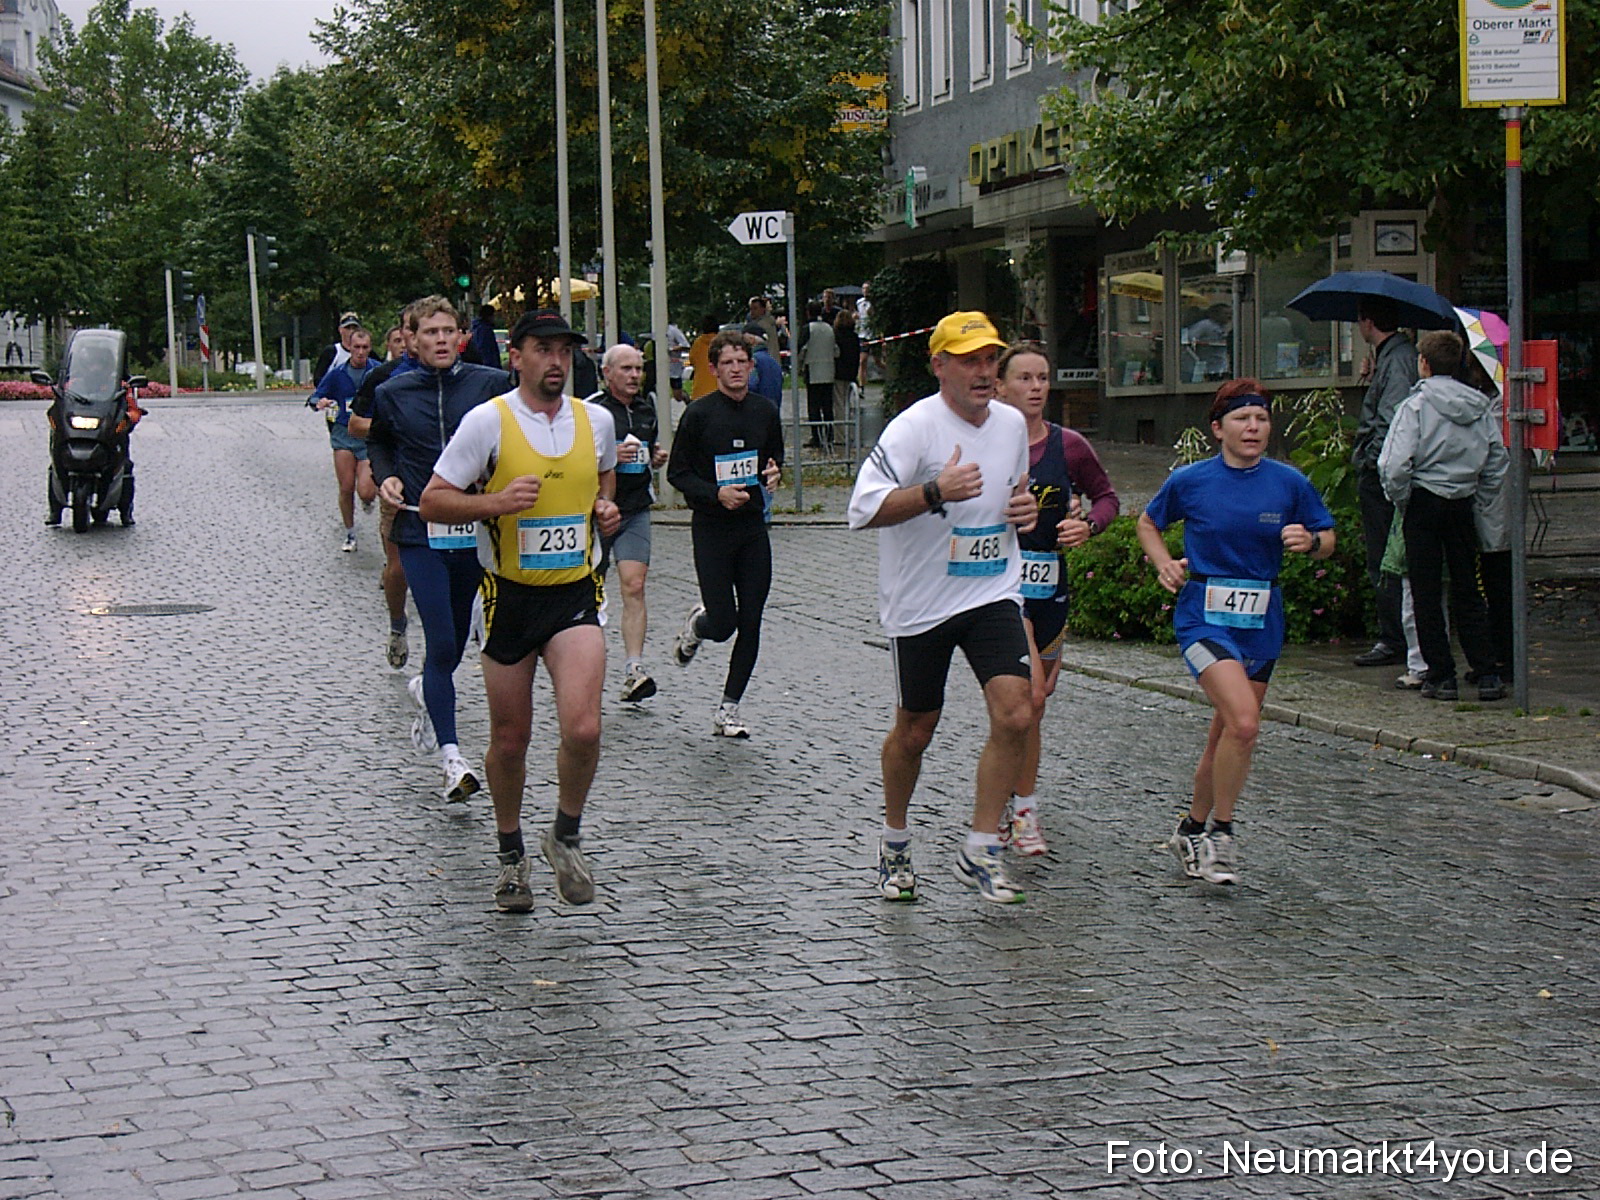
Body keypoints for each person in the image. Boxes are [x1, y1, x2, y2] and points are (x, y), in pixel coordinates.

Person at [420, 310, 620, 911]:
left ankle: (564, 833)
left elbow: (604, 482)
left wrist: (606, 513)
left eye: (564, 350)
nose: (555, 361)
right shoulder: (489, 422)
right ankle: (511, 855)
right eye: (542, 349)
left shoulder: (598, 420)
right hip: (508, 597)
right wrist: (495, 502)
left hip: (575, 595)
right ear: (517, 356)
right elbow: (432, 501)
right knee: (511, 741)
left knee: (583, 727)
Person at [846, 311, 1040, 906]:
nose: (984, 372)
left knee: (1017, 711)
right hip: (922, 603)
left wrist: (1024, 510)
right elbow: (862, 509)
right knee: (915, 731)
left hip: (991, 591)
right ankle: (896, 840)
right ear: (940, 366)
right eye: (969, 360)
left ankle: (981, 847)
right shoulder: (912, 429)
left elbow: (1017, 491)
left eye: (990, 359)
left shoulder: (1010, 424)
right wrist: (935, 490)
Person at [1138, 379, 1335, 887]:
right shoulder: (1192, 480)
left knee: (1226, 734)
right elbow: (1147, 522)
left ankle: (1192, 828)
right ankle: (1221, 837)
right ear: (1218, 428)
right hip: (1204, 616)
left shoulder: (1288, 482)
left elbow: (1328, 537)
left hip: (1261, 620)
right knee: (1245, 724)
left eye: (1262, 419)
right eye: (1243, 419)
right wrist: (1163, 564)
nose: (1253, 428)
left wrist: (1310, 541)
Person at [368, 296, 510, 803]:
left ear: (462, 335)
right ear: (410, 338)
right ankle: (453, 761)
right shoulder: (392, 391)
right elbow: (379, 444)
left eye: (450, 331)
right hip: (420, 531)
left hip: (476, 531)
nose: (442, 340)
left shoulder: (490, 385)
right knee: (442, 638)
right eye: (430, 332)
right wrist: (385, 478)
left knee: (453, 648)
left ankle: (429, 691)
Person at [993, 341, 1120, 856]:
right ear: (999, 386)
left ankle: (1002, 796)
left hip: (1050, 589)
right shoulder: (985, 446)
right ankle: (1024, 813)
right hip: (1001, 591)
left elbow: (1108, 497)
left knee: (1029, 713)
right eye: (1023, 378)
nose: (1036, 388)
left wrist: (1087, 525)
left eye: (1042, 378)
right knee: (1032, 696)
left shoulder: (1069, 446)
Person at [1378, 330, 1508, 702]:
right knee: (1468, 588)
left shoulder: (1415, 406)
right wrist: (1477, 492)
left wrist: (1402, 499)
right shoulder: (1479, 406)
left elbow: (1394, 463)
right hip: (1461, 500)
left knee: (1425, 591)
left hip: (1423, 499)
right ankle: (1486, 672)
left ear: (1424, 363)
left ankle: (1441, 675)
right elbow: (1497, 459)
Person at [666, 330, 784, 738]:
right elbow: (677, 473)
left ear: (752, 368)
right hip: (712, 530)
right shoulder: (698, 415)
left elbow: (773, 457)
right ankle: (698, 627)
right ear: (713, 369)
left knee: (751, 621)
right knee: (725, 622)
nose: (736, 370)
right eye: (727, 363)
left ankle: (728, 709)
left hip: (752, 529)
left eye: (742, 362)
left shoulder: (765, 411)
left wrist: (773, 473)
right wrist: (715, 493)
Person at [587, 343, 668, 704]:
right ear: (607, 373)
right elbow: (570, 458)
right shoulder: (591, 411)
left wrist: (655, 456)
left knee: (634, 585)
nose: (635, 375)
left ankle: (634, 669)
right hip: (597, 512)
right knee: (591, 591)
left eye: (638, 369)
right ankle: (584, 665)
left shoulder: (645, 409)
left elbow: (649, 450)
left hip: (635, 508)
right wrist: (607, 456)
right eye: (627, 369)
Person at [351, 304, 425, 670]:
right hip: (398, 480)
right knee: (398, 568)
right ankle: (398, 625)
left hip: (447, 486)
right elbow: (356, 426)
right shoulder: (384, 377)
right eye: (412, 332)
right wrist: (393, 425)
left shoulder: (459, 376)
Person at [1350, 297, 1416, 668]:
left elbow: (1390, 419)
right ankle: (1394, 635)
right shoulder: (1392, 357)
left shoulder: (1398, 358)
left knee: (1385, 557)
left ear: (1368, 322)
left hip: (1382, 475)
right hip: (1381, 468)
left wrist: (1369, 462)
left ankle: (1393, 638)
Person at [307, 326, 381, 553]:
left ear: (370, 348)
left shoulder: (377, 372)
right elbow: (316, 394)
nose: (360, 352)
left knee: (367, 490)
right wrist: (319, 402)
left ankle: (368, 501)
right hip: (343, 433)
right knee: (346, 485)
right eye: (356, 347)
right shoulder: (338, 373)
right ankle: (350, 532)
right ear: (349, 347)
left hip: (368, 436)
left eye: (365, 348)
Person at [798, 301, 836, 451]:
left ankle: (816, 436)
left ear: (808, 312)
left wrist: (799, 365)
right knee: (827, 406)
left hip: (812, 369)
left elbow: (800, 348)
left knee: (813, 407)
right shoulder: (829, 328)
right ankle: (829, 435)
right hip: (828, 370)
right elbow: (835, 349)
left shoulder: (808, 329)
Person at [312, 312, 363, 387]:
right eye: (348, 328)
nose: (351, 331)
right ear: (340, 330)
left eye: (354, 328)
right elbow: (318, 379)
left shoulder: (366, 352)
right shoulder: (331, 352)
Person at [741, 323, 784, 408]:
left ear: (751, 340)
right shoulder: (774, 362)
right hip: (773, 411)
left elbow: (751, 385)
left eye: (743, 340)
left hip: (756, 411)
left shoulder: (754, 360)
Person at [833, 309, 860, 422]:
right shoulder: (854, 337)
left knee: (839, 404)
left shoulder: (836, 336)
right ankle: (850, 431)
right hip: (851, 373)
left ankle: (841, 433)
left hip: (838, 373)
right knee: (848, 402)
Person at [688, 314, 720, 400]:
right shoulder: (722, 342)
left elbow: (692, 360)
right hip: (719, 390)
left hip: (699, 390)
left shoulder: (698, 343)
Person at [469, 303, 502, 370]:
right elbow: (486, 351)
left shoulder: (476, 328)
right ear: (489, 316)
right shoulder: (485, 330)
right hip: (489, 367)